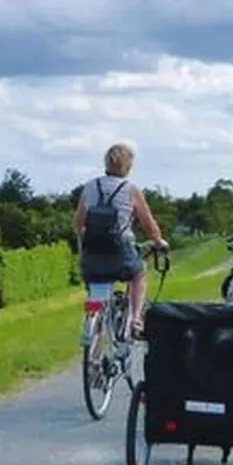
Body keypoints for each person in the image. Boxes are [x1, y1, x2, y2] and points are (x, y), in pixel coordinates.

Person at [73, 143, 169, 337]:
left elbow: (78, 223)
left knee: (95, 291)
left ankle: (94, 337)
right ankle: (135, 319)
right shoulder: (130, 189)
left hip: (93, 252)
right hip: (121, 250)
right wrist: (159, 242)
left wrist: (88, 240)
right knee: (139, 274)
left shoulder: (90, 187)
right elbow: (149, 225)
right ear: (128, 166)